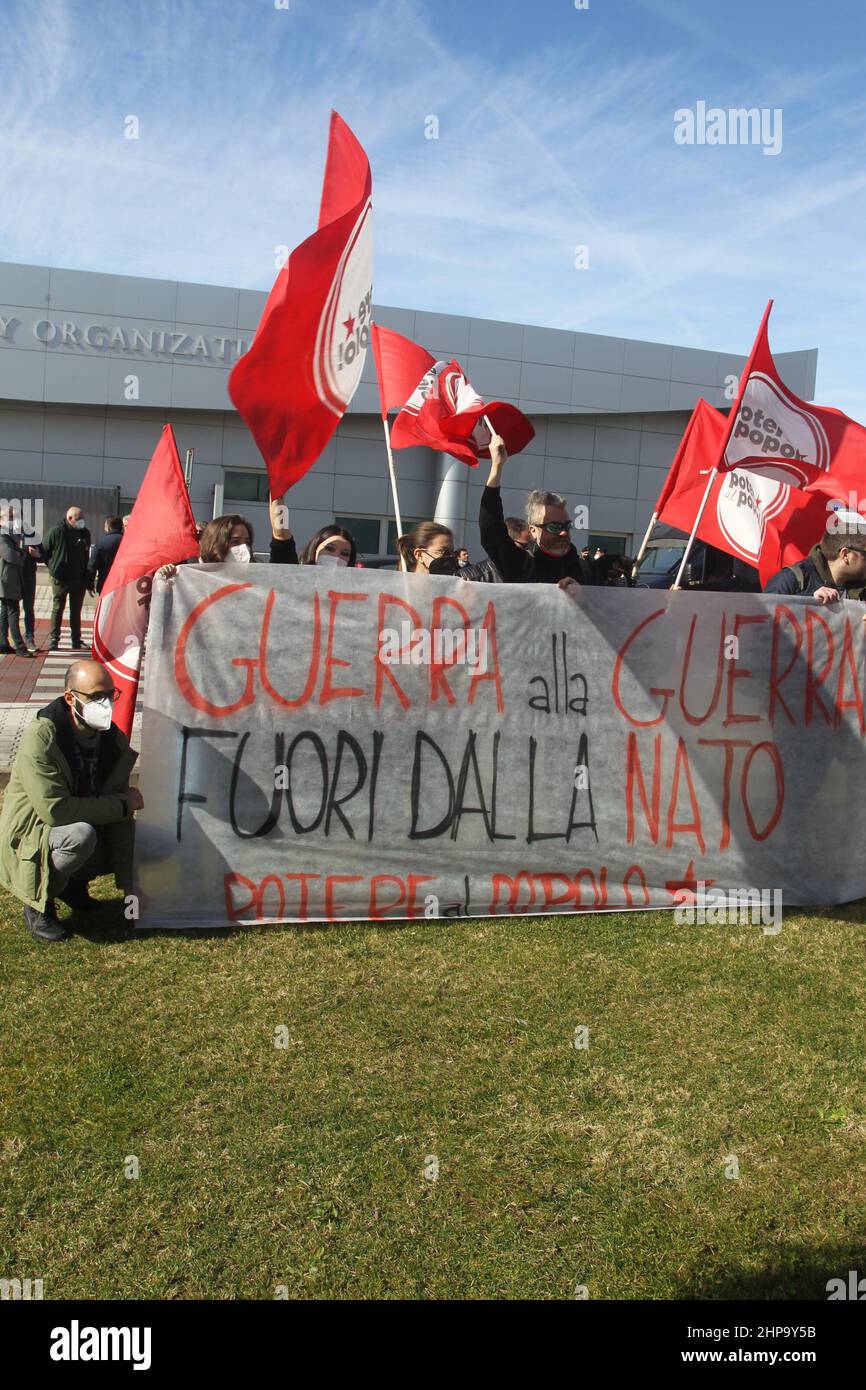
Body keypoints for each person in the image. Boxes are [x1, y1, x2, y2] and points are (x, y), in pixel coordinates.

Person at [0, 658, 141, 941]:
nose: (105, 704)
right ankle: (39, 902)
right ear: (70, 697)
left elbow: (121, 819)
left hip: (76, 828)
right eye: (96, 696)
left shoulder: (113, 742)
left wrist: (132, 900)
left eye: (110, 695)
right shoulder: (42, 737)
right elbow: (56, 811)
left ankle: (72, 887)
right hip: (34, 834)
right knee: (80, 836)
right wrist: (123, 804)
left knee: (142, 837)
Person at [479, 434, 596, 587]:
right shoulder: (522, 564)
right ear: (533, 530)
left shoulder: (585, 569)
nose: (564, 533)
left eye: (567, 526)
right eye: (554, 527)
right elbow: (491, 527)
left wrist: (582, 596)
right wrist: (497, 466)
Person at [763, 525, 866, 604]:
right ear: (845, 555)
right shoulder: (792, 579)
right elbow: (762, 622)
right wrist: (810, 602)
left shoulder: (862, 590)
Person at [41, 505, 92, 650]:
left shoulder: (85, 533)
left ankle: (76, 640)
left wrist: (87, 577)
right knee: (58, 608)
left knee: (76, 611)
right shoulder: (57, 531)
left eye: (82, 518)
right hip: (61, 578)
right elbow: (45, 552)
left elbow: (86, 554)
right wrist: (53, 567)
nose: (82, 521)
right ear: (69, 518)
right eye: (79, 519)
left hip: (79, 579)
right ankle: (54, 639)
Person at [156, 514, 255, 579]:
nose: (244, 548)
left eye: (247, 542)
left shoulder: (255, 580)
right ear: (217, 543)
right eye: (235, 542)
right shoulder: (192, 577)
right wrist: (164, 580)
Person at [0, 507, 33, 657]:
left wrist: (21, 553)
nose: (14, 521)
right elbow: (11, 556)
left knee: (5, 612)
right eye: (10, 517)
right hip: (6, 580)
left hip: (10, 578)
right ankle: (19, 646)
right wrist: (22, 555)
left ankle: (3, 643)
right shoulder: (3, 536)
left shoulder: (12, 535)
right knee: (13, 611)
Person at [88, 516, 124, 594]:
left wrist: (90, 584)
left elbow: (92, 565)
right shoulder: (127, 541)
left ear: (109, 527)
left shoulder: (101, 542)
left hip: (105, 583)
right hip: (124, 584)